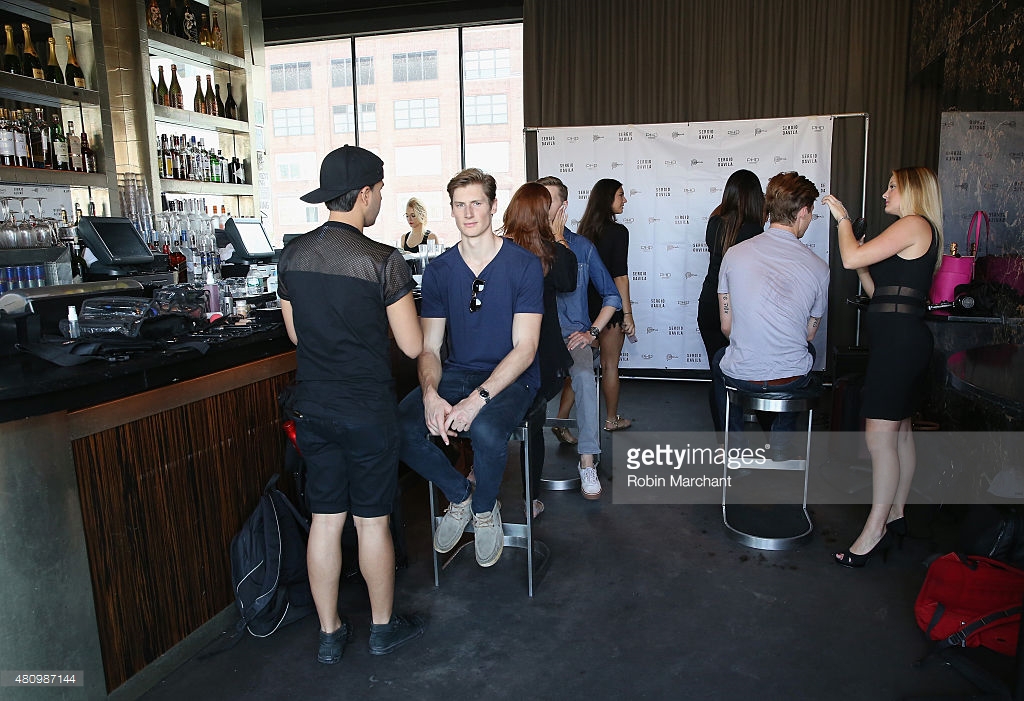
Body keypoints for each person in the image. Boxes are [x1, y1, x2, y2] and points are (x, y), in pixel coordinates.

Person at [278, 145, 426, 665]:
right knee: (371, 522)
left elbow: (296, 334)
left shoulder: (292, 255)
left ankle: (329, 632)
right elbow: (412, 346)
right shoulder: (382, 261)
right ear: (364, 194)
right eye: (380, 190)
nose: (382, 198)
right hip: (367, 411)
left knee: (325, 519)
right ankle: (383, 629)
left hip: (314, 407)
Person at [398, 168, 543, 568]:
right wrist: (430, 394)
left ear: (493, 207)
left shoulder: (523, 265)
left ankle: (483, 510)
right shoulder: (442, 270)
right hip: (458, 370)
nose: (468, 212)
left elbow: (526, 348)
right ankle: (461, 496)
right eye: (460, 205)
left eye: (477, 202)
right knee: (401, 426)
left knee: (485, 427)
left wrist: (476, 400)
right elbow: (429, 346)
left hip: (512, 375)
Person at [823, 167, 942, 568]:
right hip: (900, 344)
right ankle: (896, 516)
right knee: (901, 433)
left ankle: (873, 533)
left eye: (892, 186)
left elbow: (850, 253)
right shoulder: (911, 232)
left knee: (880, 438)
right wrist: (860, 265)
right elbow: (880, 295)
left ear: (912, 191)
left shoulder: (913, 223)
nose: (885, 193)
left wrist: (842, 220)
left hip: (899, 348)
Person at [712, 171, 829, 456]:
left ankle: (734, 451)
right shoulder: (819, 267)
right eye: (811, 213)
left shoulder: (734, 255)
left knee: (719, 359)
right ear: (802, 212)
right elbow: (809, 334)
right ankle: (781, 444)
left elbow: (726, 328)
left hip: (741, 376)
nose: (810, 219)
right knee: (807, 354)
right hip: (790, 378)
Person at [539, 175, 621, 500]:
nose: (544, 207)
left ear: (564, 205)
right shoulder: (523, 248)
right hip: (535, 339)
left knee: (586, 376)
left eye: (550, 200)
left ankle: (587, 460)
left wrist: (593, 332)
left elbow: (611, 296)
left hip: (573, 335)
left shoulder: (583, 248)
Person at [500, 181, 577, 517]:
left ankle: (481, 480)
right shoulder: (546, 251)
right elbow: (568, 280)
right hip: (539, 356)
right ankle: (529, 498)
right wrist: (559, 237)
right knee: (532, 425)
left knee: (508, 420)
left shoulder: (499, 249)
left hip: (502, 355)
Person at [697, 170, 765, 435]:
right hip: (740, 310)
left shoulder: (715, 224)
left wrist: (728, 203)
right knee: (745, 373)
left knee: (718, 376)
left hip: (710, 306)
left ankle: (726, 441)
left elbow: (720, 213)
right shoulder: (755, 231)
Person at [578, 178, 635, 432]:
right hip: (609, 308)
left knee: (578, 369)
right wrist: (628, 314)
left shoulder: (582, 233)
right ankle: (611, 420)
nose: (624, 200)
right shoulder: (619, 232)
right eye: (621, 195)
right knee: (610, 365)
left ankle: (562, 419)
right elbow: (619, 276)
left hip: (584, 308)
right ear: (607, 198)